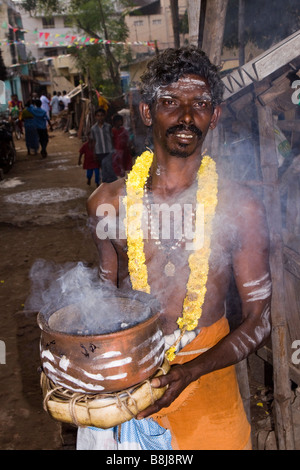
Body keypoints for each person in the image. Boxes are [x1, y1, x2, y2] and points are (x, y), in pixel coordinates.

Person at [78, 46, 271, 450]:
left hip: (209, 387)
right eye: (170, 102)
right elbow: (102, 303)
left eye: (200, 103)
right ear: (148, 113)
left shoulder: (239, 207)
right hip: (129, 388)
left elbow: (259, 318)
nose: (186, 116)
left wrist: (191, 371)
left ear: (214, 116)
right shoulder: (109, 204)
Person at [90, 107, 117, 183]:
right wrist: (94, 153)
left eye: (101, 115)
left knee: (108, 166)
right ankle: (107, 182)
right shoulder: (93, 128)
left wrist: (114, 149)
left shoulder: (108, 127)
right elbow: (93, 141)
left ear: (104, 116)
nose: (100, 117)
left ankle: (110, 181)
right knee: (103, 167)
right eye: (98, 115)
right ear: (95, 117)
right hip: (99, 151)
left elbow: (112, 138)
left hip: (109, 150)